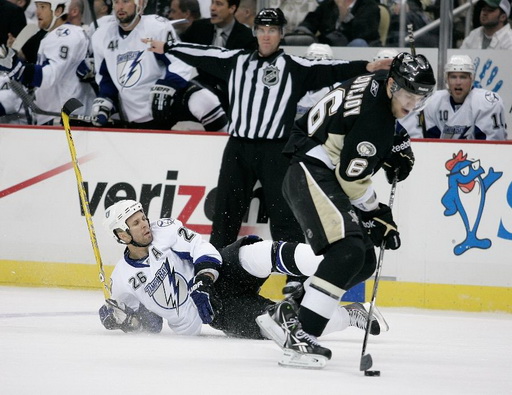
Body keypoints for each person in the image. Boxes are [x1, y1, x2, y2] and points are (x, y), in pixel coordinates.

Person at [144, 8, 393, 252]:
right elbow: (204, 54)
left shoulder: (295, 66)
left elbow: (333, 69)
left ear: (281, 33)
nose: (266, 35)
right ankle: (216, 269)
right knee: (226, 211)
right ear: (254, 32)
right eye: (262, 29)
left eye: (272, 30)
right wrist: (168, 48)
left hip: (276, 151)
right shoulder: (237, 61)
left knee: (285, 214)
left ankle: (293, 276)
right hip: (238, 149)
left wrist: (367, 67)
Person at [256, 52, 436, 368]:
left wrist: (395, 143)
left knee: (364, 259)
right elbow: (351, 179)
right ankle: (300, 335)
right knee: (349, 251)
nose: (412, 105)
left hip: (313, 159)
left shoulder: (380, 83)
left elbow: (364, 128)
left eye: (420, 99)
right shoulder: (376, 123)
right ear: (393, 85)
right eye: (408, 95)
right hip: (310, 170)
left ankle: (289, 313)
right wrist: (375, 211)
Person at [99, 199, 388, 339]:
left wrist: (204, 279)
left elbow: (203, 249)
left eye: (142, 217)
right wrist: (125, 321)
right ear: (121, 235)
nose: (145, 224)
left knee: (258, 252)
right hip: (218, 313)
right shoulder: (122, 280)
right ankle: (352, 315)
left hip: (220, 275)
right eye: (135, 223)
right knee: (282, 327)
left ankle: (332, 258)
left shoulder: (165, 230)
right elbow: (150, 324)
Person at [90, 0, 227, 130]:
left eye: (126, 1)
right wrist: (105, 101)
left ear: (140, 4)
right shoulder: (101, 35)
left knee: (203, 99)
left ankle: (226, 141)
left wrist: (168, 85)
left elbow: (177, 60)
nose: (120, 7)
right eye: (116, 2)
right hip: (133, 112)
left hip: (165, 99)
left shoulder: (156, 26)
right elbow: (106, 78)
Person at [0, 0, 95, 125]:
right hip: (55, 116)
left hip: (67, 119)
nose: (37, 11)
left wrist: (16, 66)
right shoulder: (51, 36)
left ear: (58, 11)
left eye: (43, 7)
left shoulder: (66, 35)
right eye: (37, 6)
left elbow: (48, 77)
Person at [399, 54, 508, 140]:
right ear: (447, 79)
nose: (458, 82)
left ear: (472, 79)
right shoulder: (433, 101)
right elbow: (432, 142)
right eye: (453, 77)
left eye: (463, 77)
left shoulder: (487, 102)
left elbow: (490, 144)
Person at [293, 0, 381, 47]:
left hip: (357, 48)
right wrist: (302, 33)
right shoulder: (328, 4)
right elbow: (312, 20)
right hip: (329, 47)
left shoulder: (369, 5)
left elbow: (362, 32)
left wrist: (343, 14)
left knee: (358, 43)